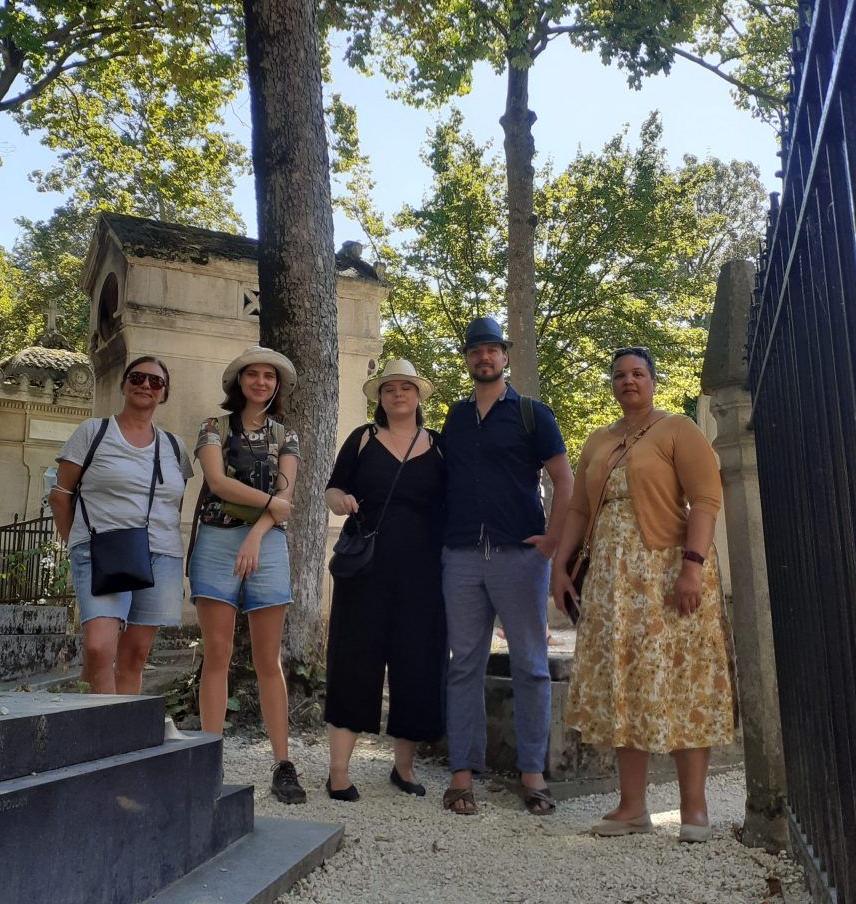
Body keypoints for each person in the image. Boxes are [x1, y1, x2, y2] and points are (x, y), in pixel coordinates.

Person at [551, 346, 734, 843]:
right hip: (612, 584)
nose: (628, 381)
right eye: (619, 375)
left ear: (653, 380)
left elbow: (707, 499)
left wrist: (692, 568)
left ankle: (694, 810)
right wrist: (560, 568)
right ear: (611, 385)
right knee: (624, 688)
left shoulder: (678, 430)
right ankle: (631, 807)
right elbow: (579, 512)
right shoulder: (598, 440)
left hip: (670, 577)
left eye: (637, 373)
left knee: (682, 683)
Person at [440, 318, 573, 815]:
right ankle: (461, 776)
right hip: (461, 558)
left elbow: (564, 479)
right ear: (468, 360)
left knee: (531, 666)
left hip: (520, 558)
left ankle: (533, 775)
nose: (484, 358)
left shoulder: (533, 415)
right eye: (476, 351)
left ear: (505, 357)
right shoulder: (453, 418)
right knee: (464, 666)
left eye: (492, 350)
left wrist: (552, 543)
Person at [187, 345, 307, 805]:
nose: (261, 382)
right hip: (217, 541)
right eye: (252, 374)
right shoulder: (212, 428)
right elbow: (217, 483)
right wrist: (272, 509)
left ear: (277, 385)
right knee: (216, 654)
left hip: (267, 542)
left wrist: (258, 535)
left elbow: (285, 493)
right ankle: (209, 757)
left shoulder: (286, 435)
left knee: (268, 660)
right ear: (238, 382)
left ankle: (283, 762)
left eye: (268, 376)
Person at [323, 359, 446, 801]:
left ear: (418, 396)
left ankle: (404, 767)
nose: (398, 394)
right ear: (379, 397)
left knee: (416, 665)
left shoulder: (439, 446)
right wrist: (341, 502)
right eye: (389, 388)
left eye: (406, 387)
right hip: (366, 570)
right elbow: (332, 488)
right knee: (354, 661)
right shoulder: (361, 440)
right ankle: (338, 771)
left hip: (423, 575)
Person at [50, 356, 192, 694]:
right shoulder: (93, 432)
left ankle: (121, 733)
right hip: (105, 549)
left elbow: (174, 503)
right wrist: (79, 544)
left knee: (136, 655)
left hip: (161, 555)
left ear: (164, 393)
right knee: (100, 649)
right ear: (124, 384)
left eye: (155, 382)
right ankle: (99, 736)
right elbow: (60, 496)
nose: (146, 385)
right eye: (138, 377)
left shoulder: (175, 447)